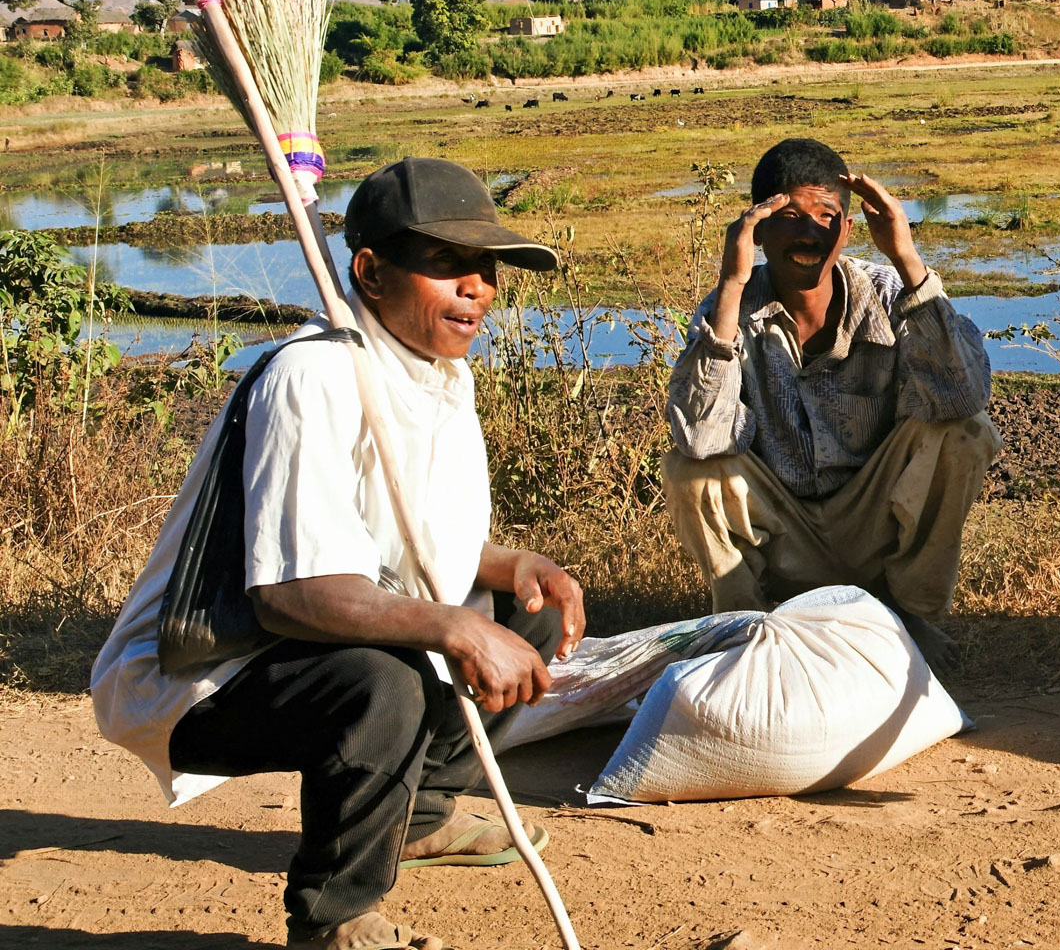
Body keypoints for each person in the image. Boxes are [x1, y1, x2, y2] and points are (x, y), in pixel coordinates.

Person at [93, 158, 585, 950]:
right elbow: (291, 595)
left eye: (486, 271)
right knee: (382, 683)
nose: (479, 289)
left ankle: (418, 816)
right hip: (202, 673)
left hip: (302, 639)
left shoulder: (438, 376)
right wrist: (456, 630)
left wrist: (518, 568)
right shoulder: (313, 375)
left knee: (520, 622)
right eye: (448, 265)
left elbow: (417, 547)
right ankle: (334, 918)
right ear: (370, 270)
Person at [664, 138, 999, 661]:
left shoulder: (888, 290)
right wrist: (731, 283)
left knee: (966, 432)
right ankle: (744, 629)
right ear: (758, 229)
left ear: (847, 228)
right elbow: (701, 437)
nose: (809, 232)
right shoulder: (731, 307)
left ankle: (911, 617)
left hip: (874, 524)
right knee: (689, 468)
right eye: (791, 215)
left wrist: (906, 255)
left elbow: (961, 396)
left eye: (827, 215)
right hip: (786, 531)